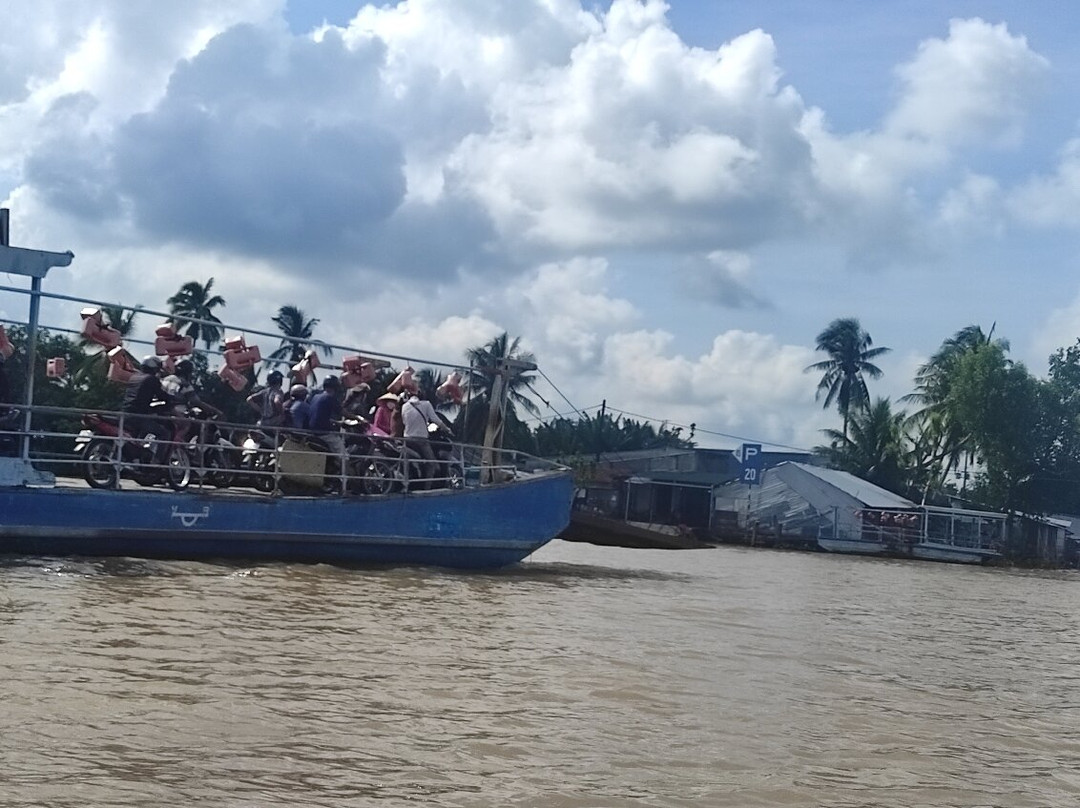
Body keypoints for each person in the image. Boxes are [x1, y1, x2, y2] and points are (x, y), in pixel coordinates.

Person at [122, 356, 167, 439]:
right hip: (138, 415)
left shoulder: (134, 377)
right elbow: (162, 395)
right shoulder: (151, 379)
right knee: (163, 433)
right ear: (154, 367)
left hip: (125, 412)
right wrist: (173, 398)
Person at [401, 390, 441, 486]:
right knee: (431, 463)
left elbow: (404, 421)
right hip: (421, 439)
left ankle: (405, 485)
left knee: (406, 462)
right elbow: (435, 419)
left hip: (407, 438)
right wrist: (447, 429)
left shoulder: (404, 406)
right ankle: (427, 487)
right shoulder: (426, 404)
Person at [308, 375, 345, 457]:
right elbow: (342, 412)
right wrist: (358, 418)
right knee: (342, 453)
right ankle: (344, 465)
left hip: (313, 431)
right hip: (324, 433)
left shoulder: (316, 396)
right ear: (335, 387)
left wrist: (336, 422)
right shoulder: (329, 397)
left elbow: (320, 416)